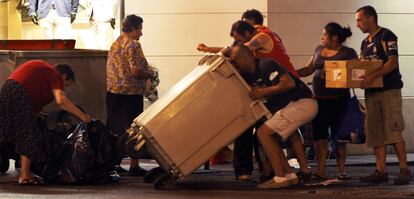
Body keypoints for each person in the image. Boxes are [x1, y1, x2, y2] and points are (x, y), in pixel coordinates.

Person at [230, 44, 317, 189]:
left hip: (303, 103)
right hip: (292, 106)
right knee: (270, 136)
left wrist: (263, 91)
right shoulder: (248, 74)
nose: (234, 64)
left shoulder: (266, 65)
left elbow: (288, 83)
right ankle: (290, 175)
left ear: (245, 58)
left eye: (235, 60)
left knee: (263, 133)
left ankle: (280, 177)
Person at [0, 60, 92, 185]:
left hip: (7, 90)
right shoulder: (56, 75)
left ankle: (19, 165)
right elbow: (61, 101)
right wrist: (83, 116)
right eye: (66, 84)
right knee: (27, 132)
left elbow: (32, 93)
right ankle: (25, 175)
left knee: (5, 131)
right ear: (64, 76)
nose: (63, 87)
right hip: (19, 93)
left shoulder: (44, 71)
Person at [355, 5, 411, 185]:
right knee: (376, 133)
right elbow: (362, 66)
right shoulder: (364, 43)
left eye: (359, 20)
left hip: (389, 90)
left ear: (371, 18)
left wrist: (372, 75)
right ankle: (380, 170)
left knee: (393, 130)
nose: (357, 24)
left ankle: (404, 170)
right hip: (371, 93)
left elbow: (392, 62)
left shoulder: (387, 35)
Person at [297, 22, 358, 181]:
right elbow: (309, 68)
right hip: (319, 101)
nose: (321, 37)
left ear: (334, 37)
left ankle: (341, 170)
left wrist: (334, 73)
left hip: (339, 100)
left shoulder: (348, 53)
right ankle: (321, 169)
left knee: (340, 136)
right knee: (320, 136)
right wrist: (293, 74)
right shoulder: (318, 49)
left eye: (324, 35)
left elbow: (355, 74)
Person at [106, 14, 151, 176]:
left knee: (115, 129)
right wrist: (149, 74)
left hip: (113, 92)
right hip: (130, 94)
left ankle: (113, 162)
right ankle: (134, 164)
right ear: (132, 28)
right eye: (140, 29)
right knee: (134, 129)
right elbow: (136, 71)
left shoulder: (116, 43)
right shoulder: (133, 45)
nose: (141, 33)